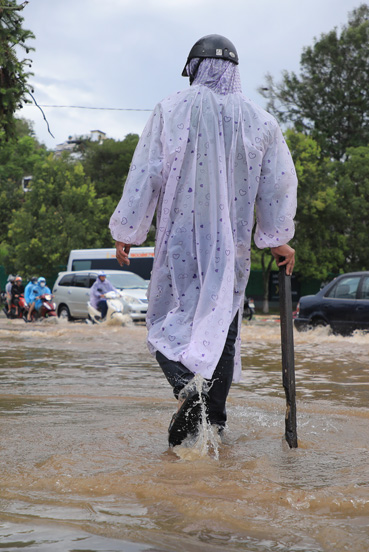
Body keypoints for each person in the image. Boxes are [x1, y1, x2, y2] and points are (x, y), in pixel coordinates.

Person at [109, 34, 297, 446]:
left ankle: (186, 390)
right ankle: (213, 420)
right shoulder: (261, 121)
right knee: (224, 331)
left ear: (194, 68)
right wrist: (276, 237)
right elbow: (277, 185)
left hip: (180, 244)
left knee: (163, 324)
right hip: (232, 251)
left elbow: (147, 174)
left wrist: (127, 231)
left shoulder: (170, 109)